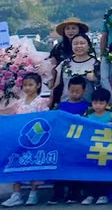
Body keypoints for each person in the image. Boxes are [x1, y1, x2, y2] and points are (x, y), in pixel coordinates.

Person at [1, 74, 49, 207]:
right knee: (16, 164)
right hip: (20, 139)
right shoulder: (20, 102)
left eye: (30, 85)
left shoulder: (40, 102)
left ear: (38, 85)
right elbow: (12, 116)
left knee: (34, 164)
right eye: (25, 85)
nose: (27, 88)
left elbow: (45, 119)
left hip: (35, 140)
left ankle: (33, 193)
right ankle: (16, 194)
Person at [47, 76, 89, 205]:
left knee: (77, 167)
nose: (75, 94)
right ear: (68, 89)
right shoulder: (61, 106)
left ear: (84, 91)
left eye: (78, 91)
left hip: (78, 143)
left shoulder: (87, 106)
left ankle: (75, 193)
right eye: (72, 91)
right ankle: (58, 193)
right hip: (63, 143)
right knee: (60, 167)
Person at [80, 88, 112, 205]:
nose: (98, 105)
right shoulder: (88, 116)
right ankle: (90, 195)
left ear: (107, 103)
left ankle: (103, 194)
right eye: (95, 103)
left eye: (101, 103)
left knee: (104, 172)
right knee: (90, 172)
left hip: (106, 150)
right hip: (91, 149)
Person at [52, 33, 102, 106]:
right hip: (65, 104)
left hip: (88, 106)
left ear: (88, 46)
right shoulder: (65, 63)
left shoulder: (96, 64)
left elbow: (102, 86)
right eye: (75, 44)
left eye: (82, 43)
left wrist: (95, 79)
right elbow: (56, 85)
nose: (79, 46)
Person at [49, 17, 89, 104]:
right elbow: (52, 66)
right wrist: (52, 84)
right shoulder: (58, 47)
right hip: (63, 82)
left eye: (73, 28)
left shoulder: (87, 47)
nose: (71, 31)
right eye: (68, 28)